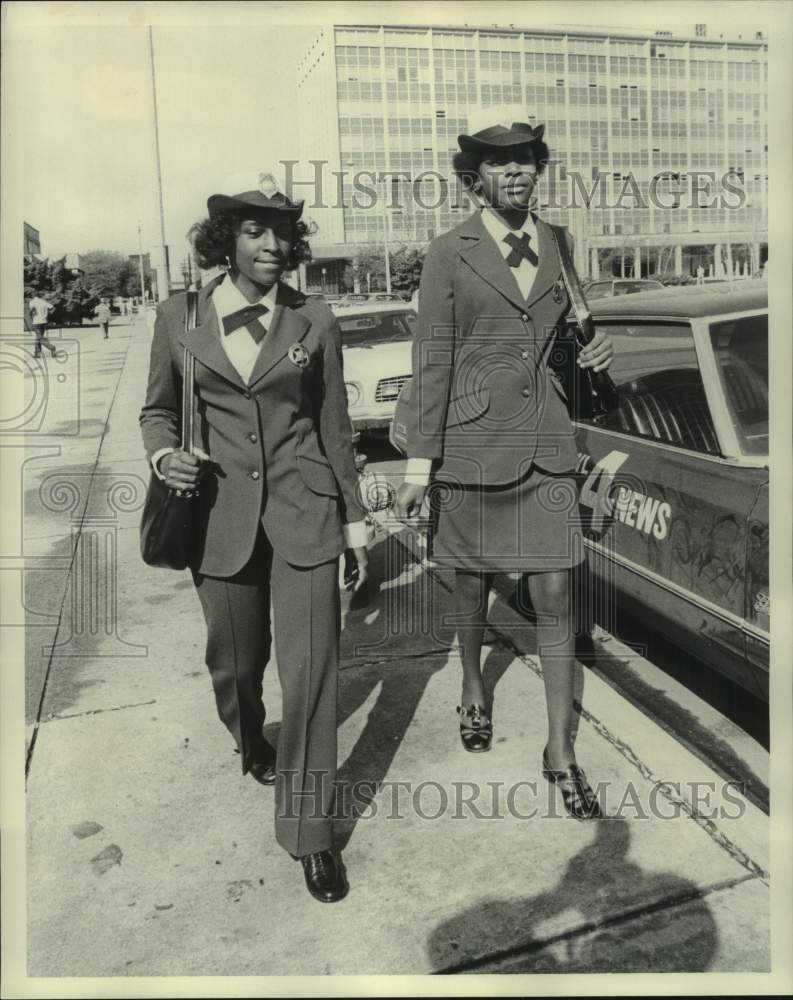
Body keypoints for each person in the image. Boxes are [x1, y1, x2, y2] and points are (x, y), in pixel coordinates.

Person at [139, 169, 369, 903]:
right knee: (236, 665)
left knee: (312, 676)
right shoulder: (181, 318)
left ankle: (309, 832)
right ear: (225, 242)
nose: (272, 245)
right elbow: (156, 411)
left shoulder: (316, 319)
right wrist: (161, 454)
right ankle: (250, 738)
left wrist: (356, 521)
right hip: (217, 519)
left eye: (282, 233)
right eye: (253, 231)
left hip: (306, 512)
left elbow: (334, 428)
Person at [394, 108, 614, 819]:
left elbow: (565, 340)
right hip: (469, 448)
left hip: (545, 445)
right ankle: (469, 682)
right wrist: (417, 468)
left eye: (526, 158)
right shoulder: (446, 251)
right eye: (499, 161)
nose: (516, 169)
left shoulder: (558, 241)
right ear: (473, 178)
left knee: (554, 595)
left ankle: (560, 752)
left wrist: (595, 357)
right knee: (467, 588)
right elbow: (430, 360)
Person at [26, 291, 57, 358]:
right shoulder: (43, 301)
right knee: (38, 338)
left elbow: (31, 312)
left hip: (36, 322)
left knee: (40, 338)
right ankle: (37, 354)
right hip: (44, 322)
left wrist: (31, 318)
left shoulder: (32, 302)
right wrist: (49, 314)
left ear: (32, 296)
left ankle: (52, 348)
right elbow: (53, 308)